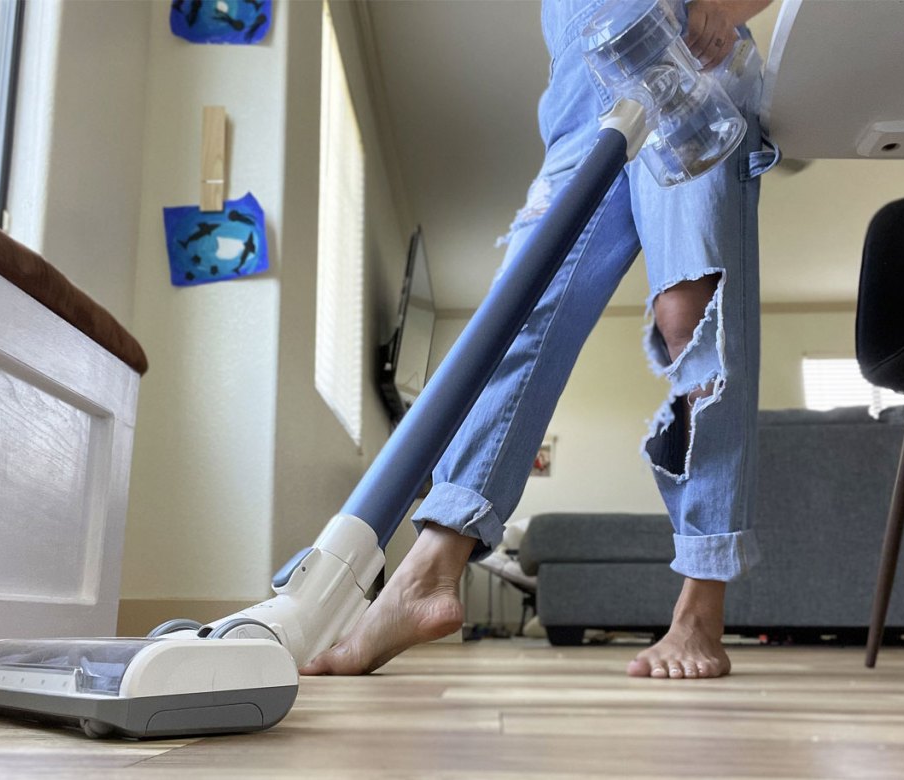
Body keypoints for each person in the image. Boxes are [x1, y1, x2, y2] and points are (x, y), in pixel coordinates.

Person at [302, 0, 776, 680]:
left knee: (690, 318)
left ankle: (702, 604)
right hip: (584, 89)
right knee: (518, 312)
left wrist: (725, 6)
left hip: (690, 65)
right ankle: (430, 573)